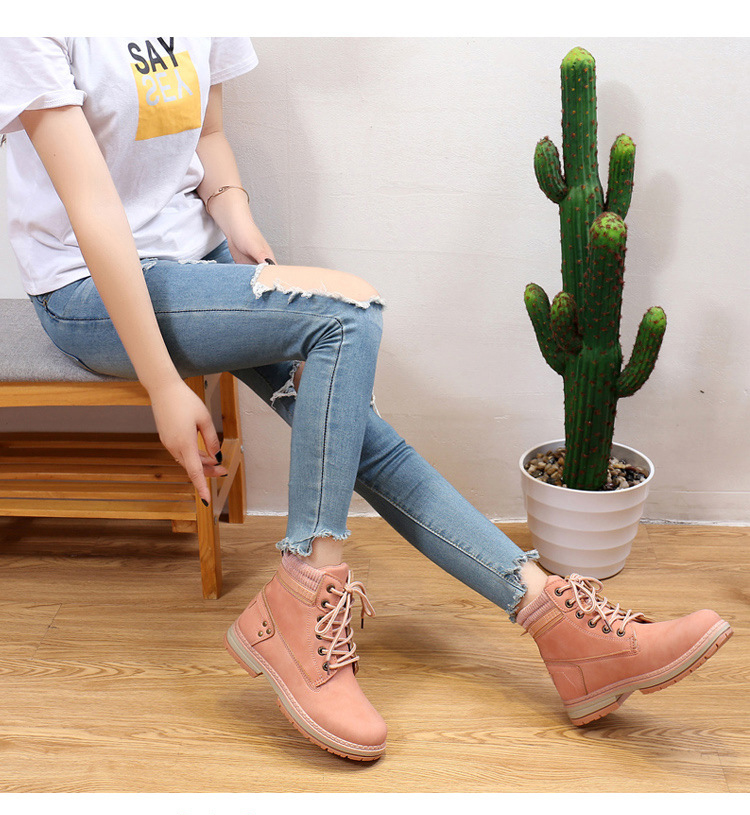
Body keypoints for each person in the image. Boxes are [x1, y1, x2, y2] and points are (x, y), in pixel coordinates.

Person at [0, 37, 733, 762]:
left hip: (199, 264)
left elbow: (209, 133)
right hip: (88, 289)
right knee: (345, 315)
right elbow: (94, 209)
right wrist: (164, 384)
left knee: (360, 435)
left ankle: (558, 625)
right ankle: (305, 590)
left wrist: (236, 219)